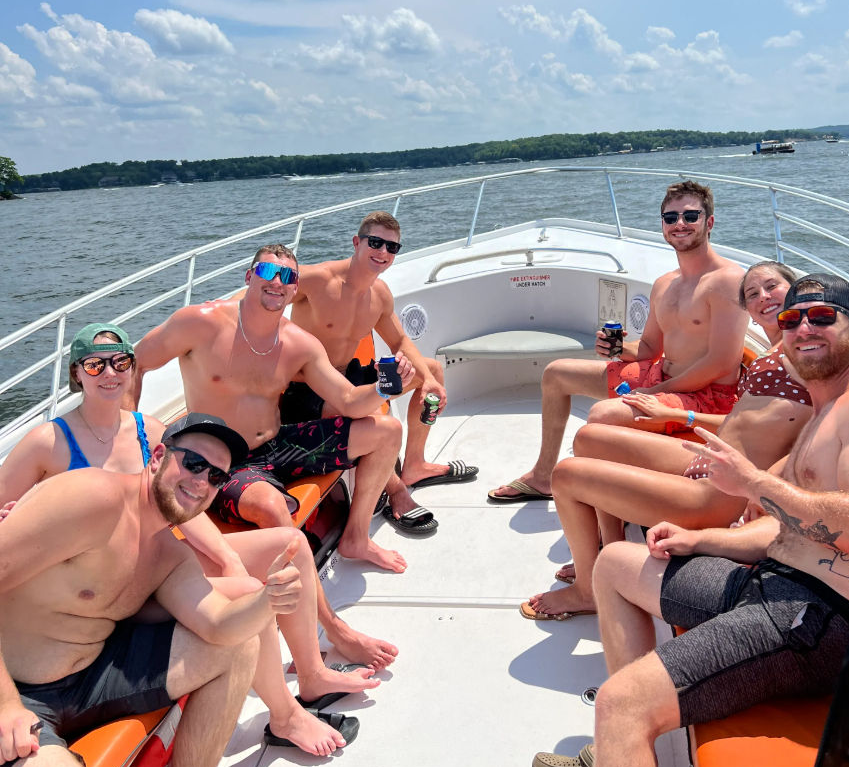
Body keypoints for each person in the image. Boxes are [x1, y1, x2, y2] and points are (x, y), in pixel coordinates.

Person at [548, 275, 849, 767]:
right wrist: (702, 541)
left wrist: (758, 484)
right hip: (775, 585)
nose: (802, 328)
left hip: (816, 622)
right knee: (615, 563)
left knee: (621, 703)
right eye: (790, 320)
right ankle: (642, 764)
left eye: (821, 318)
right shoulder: (824, 409)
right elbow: (791, 532)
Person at [0, 324, 395, 754]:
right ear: (77, 373)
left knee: (290, 544)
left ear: (132, 369)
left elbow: (183, 499)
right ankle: (286, 716)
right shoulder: (48, 442)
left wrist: (225, 555)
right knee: (245, 591)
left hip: (159, 557)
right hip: (101, 584)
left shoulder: (147, 430)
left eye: (121, 362)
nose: (110, 373)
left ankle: (312, 672)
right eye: (95, 364)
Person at [0, 412, 293, 767]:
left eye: (215, 477)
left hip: (88, 676)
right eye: (193, 462)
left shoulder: (169, 551)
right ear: (157, 458)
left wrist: (268, 602)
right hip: (11, 687)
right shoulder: (89, 498)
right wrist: (4, 706)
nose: (201, 481)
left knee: (236, 646)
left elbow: (218, 624)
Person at [524, 261, 814, 620]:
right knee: (590, 438)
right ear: (749, 311)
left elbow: (821, 421)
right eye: (753, 293)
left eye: (772, 287)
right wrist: (678, 416)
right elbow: (754, 420)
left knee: (566, 476)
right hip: (712, 459)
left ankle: (589, 589)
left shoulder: (805, 351)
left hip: (720, 492)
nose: (763, 297)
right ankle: (608, 553)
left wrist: (769, 487)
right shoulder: (776, 352)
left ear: (798, 289)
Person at [130, 244, 416, 573]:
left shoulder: (299, 344)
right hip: (225, 460)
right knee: (271, 506)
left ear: (296, 287)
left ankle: (356, 537)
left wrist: (384, 386)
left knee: (387, 432)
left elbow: (350, 401)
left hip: (279, 446)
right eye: (268, 272)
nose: (277, 282)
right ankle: (311, 607)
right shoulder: (200, 323)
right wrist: (131, 441)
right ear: (250, 276)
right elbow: (136, 364)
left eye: (288, 276)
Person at [487, 181, 748, 502]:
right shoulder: (665, 284)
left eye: (690, 216)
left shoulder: (727, 281)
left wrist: (653, 393)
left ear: (709, 222)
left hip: (706, 397)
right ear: (663, 226)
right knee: (556, 374)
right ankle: (543, 477)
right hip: (663, 379)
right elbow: (650, 349)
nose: (680, 224)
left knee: (602, 416)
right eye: (670, 218)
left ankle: (604, 505)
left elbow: (721, 362)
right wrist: (617, 349)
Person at [285, 211, 477, 535]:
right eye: (376, 243)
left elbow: (400, 340)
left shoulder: (379, 295)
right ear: (357, 242)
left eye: (392, 247)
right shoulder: (318, 280)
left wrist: (428, 381)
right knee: (366, 415)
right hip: (307, 389)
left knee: (430, 370)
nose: (383, 252)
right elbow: (263, 289)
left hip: (349, 376)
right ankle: (396, 489)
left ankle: (415, 464)